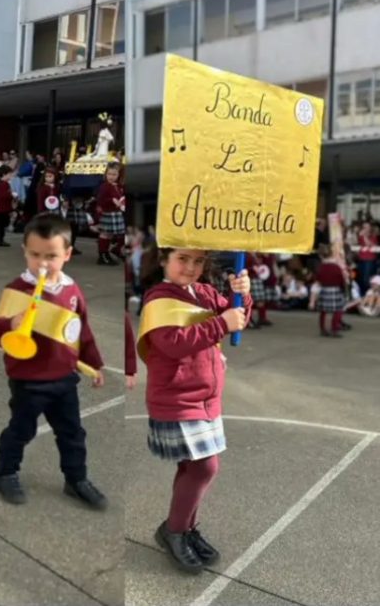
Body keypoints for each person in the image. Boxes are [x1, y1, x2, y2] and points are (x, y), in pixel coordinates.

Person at [134, 244, 251, 574]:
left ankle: (182, 528)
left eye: (198, 261)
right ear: (164, 260)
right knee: (204, 468)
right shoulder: (158, 297)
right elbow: (174, 343)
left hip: (206, 396)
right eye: (182, 259)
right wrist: (221, 324)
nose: (190, 267)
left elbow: (237, 319)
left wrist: (243, 296)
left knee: (191, 467)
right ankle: (174, 531)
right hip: (177, 396)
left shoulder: (205, 292)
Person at [0, 213, 107, 508]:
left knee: (72, 432)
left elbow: (81, 330)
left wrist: (95, 363)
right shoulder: (17, 289)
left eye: (51, 256)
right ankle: (5, 472)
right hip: (28, 378)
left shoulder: (72, 290)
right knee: (21, 430)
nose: (42, 263)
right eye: (35, 255)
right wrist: (10, 324)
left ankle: (76, 479)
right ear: (25, 252)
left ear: (67, 254)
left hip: (64, 377)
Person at [311, 244, 349, 336]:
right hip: (335, 290)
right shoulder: (336, 267)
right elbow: (342, 280)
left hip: (324, 290)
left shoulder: (321, 267)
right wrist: (344, 290)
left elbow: (317, 280)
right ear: (331, 254)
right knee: (338, 310)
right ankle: (334, 329)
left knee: (323, 311)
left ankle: (322, 329)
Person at [95, 163, 125, 266]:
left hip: (116, 213)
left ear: (119, 175)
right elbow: (100, 200)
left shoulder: (119, 186)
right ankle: (102, 255)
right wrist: (112, 200)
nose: (111, 177)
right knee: (105, 234)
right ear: (106, 174)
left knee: (110, 234)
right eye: (109, 174)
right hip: (107, 212)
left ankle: (106, 253)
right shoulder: (105, 186)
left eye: (114, 174)